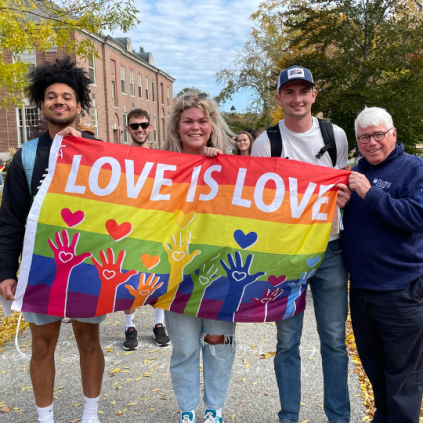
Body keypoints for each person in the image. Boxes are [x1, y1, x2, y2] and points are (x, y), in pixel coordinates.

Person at [0, 57, 105, 423]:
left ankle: (90, 415)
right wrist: (5, 272)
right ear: (41, 105)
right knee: (41, 345)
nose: (59, 101)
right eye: (51, 97)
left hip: (87, 265)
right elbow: (10, 220)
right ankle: (46, 418)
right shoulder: (25, 157)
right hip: (41, 265)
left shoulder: (102, 154)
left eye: (67, 96)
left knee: (89, 342)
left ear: (79, 105)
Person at [252, 66, 350, 423]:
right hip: (287, 255)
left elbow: (343, 185)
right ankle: (288, 416)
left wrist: (344, 197)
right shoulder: (267, 142)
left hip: (331, 249)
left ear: (314, 95)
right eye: (289, 92)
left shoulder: (335, 134)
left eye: (303, 91)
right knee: (287, 343)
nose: (297, 99)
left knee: (335, 342)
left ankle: (339, 417)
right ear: (279, 98)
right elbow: (257, 200)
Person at [340, 107, 423, 423]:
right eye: (364, 137)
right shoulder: (355, 173)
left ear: (393, 134)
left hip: (401, 291)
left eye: (378, 135)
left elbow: (417, 217)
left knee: (404, 376)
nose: (371, 142)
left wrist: (370, 194)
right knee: (374, 367)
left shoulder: (413, 169)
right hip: (362, 291)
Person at [162, 91, 235, 423]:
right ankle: (187, 410)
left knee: (218, 342)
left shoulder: (230, 164)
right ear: (177, 126)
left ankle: (214, 409)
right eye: (188, 120)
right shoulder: (159, 166)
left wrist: (218, 165)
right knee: (185, 346)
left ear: (212, 125)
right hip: (177, 271)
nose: (195, 126)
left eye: (202, 120)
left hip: (219, 271)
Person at [122, 108, 171, 350]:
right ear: (127, 129)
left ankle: (159, 324)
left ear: (150, 127)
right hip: (129, 226)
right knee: (129, 277)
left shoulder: (161, 157)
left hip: (155, 225)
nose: (139, 129)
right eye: (134, 126)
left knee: (158, 276)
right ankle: (130, 326)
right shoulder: (120, 156)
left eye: (143, 125)